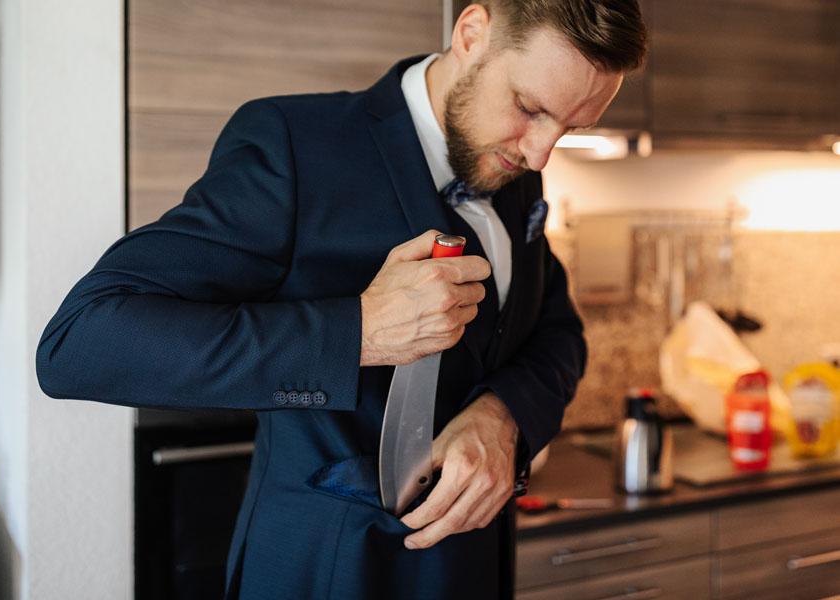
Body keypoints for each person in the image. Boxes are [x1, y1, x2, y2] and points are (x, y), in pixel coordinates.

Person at [36, 1, 646, 598]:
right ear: (471, 34)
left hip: (474, 567)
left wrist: (502, 414)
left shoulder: (512, 160)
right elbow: (82, 342)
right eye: (531, 109)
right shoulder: (294, 147)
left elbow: (557, 331)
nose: (541, 153)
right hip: (327, 570)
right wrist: (360, 330)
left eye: (569, 128)